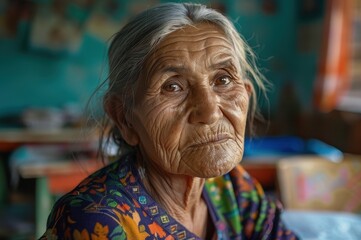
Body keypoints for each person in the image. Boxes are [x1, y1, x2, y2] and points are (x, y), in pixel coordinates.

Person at [41, 2, 297, 239]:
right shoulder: (95, 221)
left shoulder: (233, 189)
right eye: (172, 87)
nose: (210, 111)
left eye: (223, 80)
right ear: (124, 118)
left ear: (247, 95)